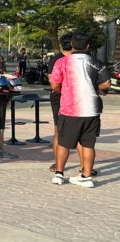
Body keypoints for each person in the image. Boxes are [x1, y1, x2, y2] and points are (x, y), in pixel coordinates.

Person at [49, 32, 110, 188]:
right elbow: (106, 84)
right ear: (88, 46)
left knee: (63, 143)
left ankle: (59, 174)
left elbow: (54, 85)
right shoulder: (97, 63)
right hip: (91, 110)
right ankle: (86, 177)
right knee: (88, 144)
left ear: (72, 45)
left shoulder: (62, 62)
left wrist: (64, 89)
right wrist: (93, 87)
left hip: (69, 109)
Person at [47, 33, 73, 173]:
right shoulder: (57, 59)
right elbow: (52, 80)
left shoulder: (76, 59)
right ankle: (58, 163)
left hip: (74, 99)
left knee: (80, 131)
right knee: (59, 129)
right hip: (59, 98)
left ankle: (85, 166)